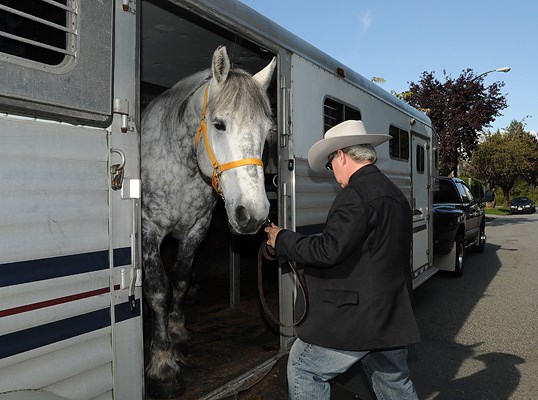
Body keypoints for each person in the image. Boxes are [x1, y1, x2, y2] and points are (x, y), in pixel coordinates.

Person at [264, 120, 420, 400]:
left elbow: (328, 250)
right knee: (394, 385)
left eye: (330, 163)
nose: (332, 171)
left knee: (303, 368)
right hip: (389, 315)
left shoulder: (355, 195)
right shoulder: (394, 194)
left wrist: (283, 239)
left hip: (357, 318)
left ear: (342, 156)